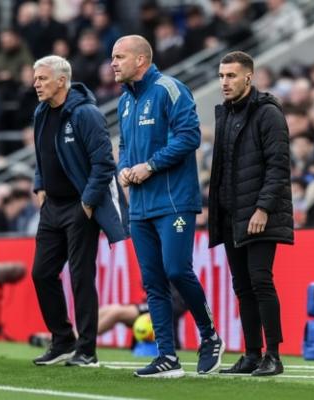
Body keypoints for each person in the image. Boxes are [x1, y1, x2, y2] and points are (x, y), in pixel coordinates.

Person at [112, 35, 223, 378]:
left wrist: (151, 165)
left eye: (119, 57)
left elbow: (190, 136)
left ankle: (210, 336)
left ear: (141, 60)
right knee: (153, 282)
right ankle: (166, 356)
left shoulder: (170, 89)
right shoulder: (124, 101)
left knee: (176, 270)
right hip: (140, 206)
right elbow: (125, 146)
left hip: (174, 200)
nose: (113, 63)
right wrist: (124, 169)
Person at [30, 55, 128, 367]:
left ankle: (87, 350)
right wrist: (39, 186)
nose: (36, 84)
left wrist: (87, 202)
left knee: (80, 276)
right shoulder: (41, 112)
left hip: (79, 206)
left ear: (62, 80)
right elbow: (41, 155)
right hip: (52, 207)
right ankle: (62, 340)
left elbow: (104, 163)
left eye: (42, 78)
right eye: (35, 78)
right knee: (41, 273)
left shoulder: (87, 114)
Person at [208, 51, 293, 376]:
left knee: (260, 282)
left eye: (231, 75)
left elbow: (278, 166)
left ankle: (274, 355)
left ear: (248, 77)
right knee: (242, 286)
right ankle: (252, 354)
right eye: (221, 76)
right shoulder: (225, 113)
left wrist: (263, 208)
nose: (224, 82)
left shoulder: (268, 113)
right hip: (232, 215)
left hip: (259, 214)